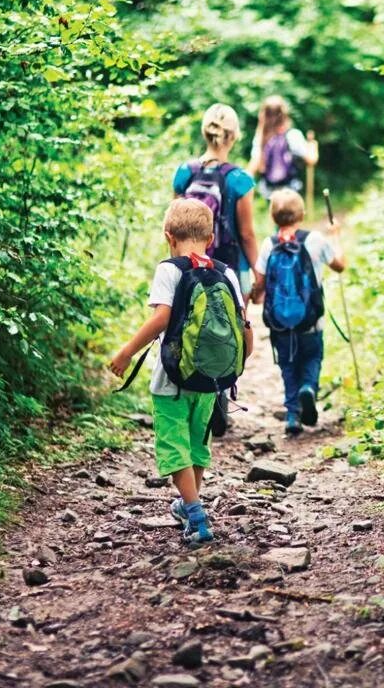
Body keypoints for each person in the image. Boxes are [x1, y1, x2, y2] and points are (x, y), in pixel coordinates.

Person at [110, 199, 253, 546]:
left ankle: (196, 515)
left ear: (168, 236)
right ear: (211, 236)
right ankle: (189, 503)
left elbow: (161, 317)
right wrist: (240, 362)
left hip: (170, 381)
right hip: (210, 379)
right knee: (196, 443)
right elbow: (243, 322)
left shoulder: (169, 270)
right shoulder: (227, 272)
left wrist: (126, 352)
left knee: (174, 446)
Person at [250, 189, 345, 436]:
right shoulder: (314, 240)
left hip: (280, 325)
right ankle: (309, 389)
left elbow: (259, 284)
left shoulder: (268, 244)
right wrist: (335, 236)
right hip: (311, 323)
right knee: (312, 359)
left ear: (272, 217)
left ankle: (292, 416)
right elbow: (339, 265)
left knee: (287, 366)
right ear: (302, 215)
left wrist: (255, 297)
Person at [173, 104, 259, 298]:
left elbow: (174, 226)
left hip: (190, 268)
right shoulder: (240, 179)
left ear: (205, 132)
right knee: (235, 326)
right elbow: (246, 235)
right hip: (232, 270)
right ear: (234, 135)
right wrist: (260, 275)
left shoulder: (184, 172)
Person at [248, 95, 319, 199]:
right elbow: (311, 159)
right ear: (285, 114)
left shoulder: (261, 139)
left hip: (269, 194)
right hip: (291, 191)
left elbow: (254, 167)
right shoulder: (293, 135)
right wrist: (313, 146)